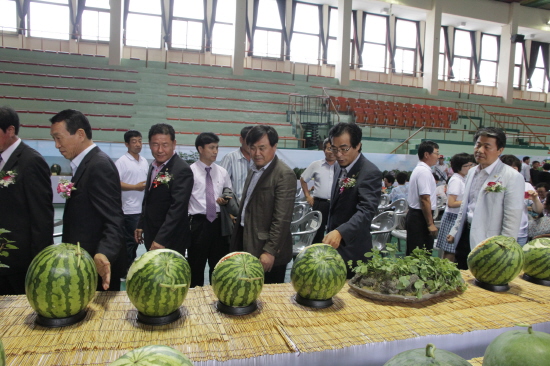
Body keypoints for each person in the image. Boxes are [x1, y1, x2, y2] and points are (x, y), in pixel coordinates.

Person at [50, 109, 124, 290]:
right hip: (82, 262)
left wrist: (104, 253)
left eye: (59, 138)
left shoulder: (98, 165)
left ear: (80, 134)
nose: (56, 145)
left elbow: (114, 219)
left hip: (95, 265)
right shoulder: (85, 163)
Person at [447, 127, 524, 270]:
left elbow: (512, 217)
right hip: (465, 234)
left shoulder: (512, 177)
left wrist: (504, 248)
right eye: (478, 145)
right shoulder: (471, 172)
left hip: (489, 240)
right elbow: (465, 206)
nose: (480, 150)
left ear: (500, 150)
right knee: (461, 275)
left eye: (487, 146)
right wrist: (455, 230)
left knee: (483, 280)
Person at [230, 125, 296, 284]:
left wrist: (270, 251)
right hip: (247, 240)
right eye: (252, 148)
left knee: (269, 300)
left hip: (266, 250)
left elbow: (282, 219)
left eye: (262, 148)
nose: (256, 153)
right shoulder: (253, 169)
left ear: (274, 146)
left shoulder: (283, 174)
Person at [0, 107, 53, 295]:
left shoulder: (31, 161)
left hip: (19, 262)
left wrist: (40, 264)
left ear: (10, 130)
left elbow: (42, 217)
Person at [323, 123, 381, 279]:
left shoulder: (370, 172)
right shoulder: (338, 167)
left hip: (353, 251)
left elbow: (366, 211)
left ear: (358, 146)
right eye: (334, 149)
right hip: (334, 246)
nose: (339, 155)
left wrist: (341, 232)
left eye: (344, 149)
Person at [135, 123, 194, 256]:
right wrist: (141, 223)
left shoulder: (181, 169)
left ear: (174, 144)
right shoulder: (154, 165)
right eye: (155, 144)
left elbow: (177, 208)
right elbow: (148, 197)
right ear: (149, 144)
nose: (160, 150)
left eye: (165, 145)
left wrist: (161, 239)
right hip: (151, 231)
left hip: (170, 237)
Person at [188, 132, 232, 287]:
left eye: (217, 147)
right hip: (198, 223)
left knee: (218, 266)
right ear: (200, 149)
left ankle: (217, 300)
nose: (215, 151)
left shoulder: (222, 171)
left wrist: (225, 200)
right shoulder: (189, 172)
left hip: (219, 224)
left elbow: (228, 192)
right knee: (195, 266)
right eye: (211, 147)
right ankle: (195, 301)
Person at [114, 130, 149, 273]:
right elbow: (115, 183)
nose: (138, 144)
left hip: (144, 209)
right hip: (130, 210)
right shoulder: (121, 162)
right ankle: (126, 271)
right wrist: (135, 187)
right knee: (131, 242)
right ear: (126, 144)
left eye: (140, 141)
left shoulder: (144, 161)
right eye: (134, 141)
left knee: (146, 241)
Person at [435, 153, 475, 262]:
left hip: (458, 217)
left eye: (471, 165)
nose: (470, 168)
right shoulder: (456, 180)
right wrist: (469, 201)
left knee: (454, 250)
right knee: (450, 251)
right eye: (467, 165)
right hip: (452, 217)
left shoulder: (464, 178)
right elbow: (451, 203)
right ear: (459, 167)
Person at [499, 155, 543, 246]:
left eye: (514, 168)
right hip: (499, 231)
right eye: (508, 168)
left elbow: (539, 210)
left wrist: (535, 199)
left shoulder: (526, 186)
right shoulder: (496, 186)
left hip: (520, 233)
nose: (511, 172)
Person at [406, 141, 439, 255]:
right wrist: (430, 223)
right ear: (426, 154)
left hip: (418, 215)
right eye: (436, 153)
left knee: (417, 252)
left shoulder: (421, 170)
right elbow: (424, 199)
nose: (438, 156)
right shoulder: (423, 172)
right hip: (420, 217)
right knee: (420, 253)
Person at [300, 138, 336, 244]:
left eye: (334, 148)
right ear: (324, 149)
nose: (332, 152)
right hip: (320, 203)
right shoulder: (316, 165)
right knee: (317, 231)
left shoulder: (341, 166)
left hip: (336, 204)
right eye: (329, 148)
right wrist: (307, 196)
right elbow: (303, 179)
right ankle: (316, 254)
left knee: (334, 231)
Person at [220, 126, 252, 201]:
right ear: (241, 140)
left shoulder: (259, 159)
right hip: (235, 206)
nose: (251, 144)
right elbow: (221, 183)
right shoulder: (230, 158)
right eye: (249, 141)